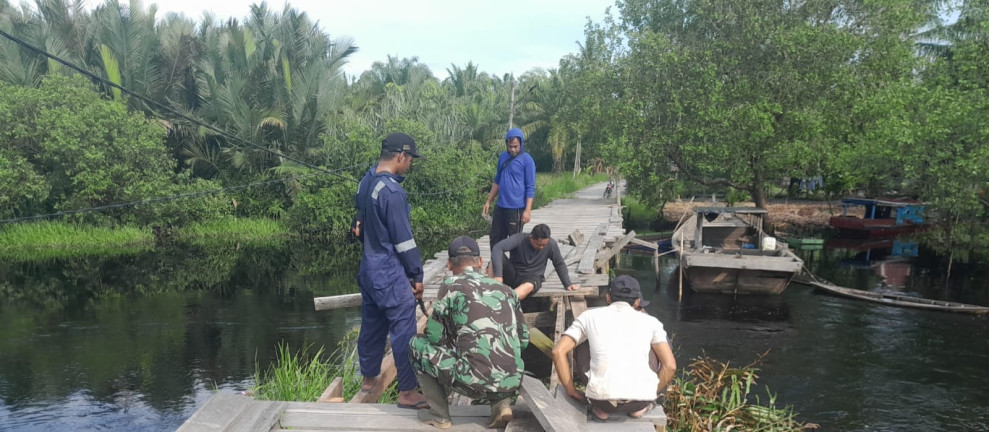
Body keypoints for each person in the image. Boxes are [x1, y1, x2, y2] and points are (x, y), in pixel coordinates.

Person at [410, 236, 529, 429]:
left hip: (473, 381)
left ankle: (439, 415)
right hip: (512, 379)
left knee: (417, 344)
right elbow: (523, 340)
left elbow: (434, 337)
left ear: (449, 264)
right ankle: (501, 404)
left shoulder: (451, 286)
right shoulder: (506, 290)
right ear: (480, 262)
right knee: (498, 352)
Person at [354, 132, 427, 409]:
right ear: (401, 156)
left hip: (368, 268)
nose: (410, 165)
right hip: (387, 269)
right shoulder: (392, 192)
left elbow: (358, 224)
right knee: (403, 326)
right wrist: (417, 276)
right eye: (410, 160)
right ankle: (408, 392)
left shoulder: (365, 181)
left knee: (372, 324)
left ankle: (369, 379)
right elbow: (404, 241)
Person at [552, 275, 676, 422]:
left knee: (583, 343)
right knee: (657, 349)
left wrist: (571, 390)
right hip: (641, 399)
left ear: (608, 298)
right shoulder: (651, 322)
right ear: (637, 302)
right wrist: (650, 392)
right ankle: (639, 409)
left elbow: (558, 351)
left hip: (600, 399)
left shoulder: (588, 317)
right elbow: (670, 366)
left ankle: (601, 410)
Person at [490, 223, 579, 300]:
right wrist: (498, 275)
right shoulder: (519, 238)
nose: (541, 247)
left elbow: (559, 263)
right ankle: (490, 291)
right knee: (494, 260)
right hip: (514, 273)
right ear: (531, 238)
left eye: (544, 244)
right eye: (539, 244)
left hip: (532, 278)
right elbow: (497, 248)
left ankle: (506, 301)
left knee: (529, 285)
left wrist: (568, 284)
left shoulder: (551, 244)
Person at [482, 128, 536, 250]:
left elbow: (530, 187)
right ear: (506, 144)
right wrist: (489, 201)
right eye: (510, 146)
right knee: (495, 238)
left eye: (516, 146)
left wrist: (528, 210)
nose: (513, 149)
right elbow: (497, 181)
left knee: (515, 242)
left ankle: (515, 268)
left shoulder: (527, 160)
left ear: (521, 144)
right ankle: (496, 266)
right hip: (501, 206)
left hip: (516, 209)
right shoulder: (502, 157)